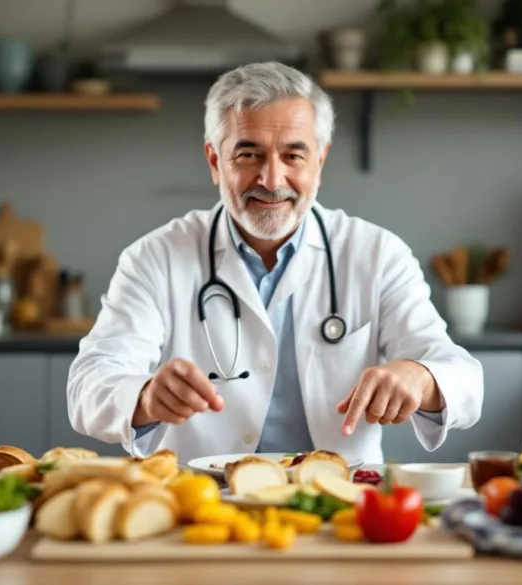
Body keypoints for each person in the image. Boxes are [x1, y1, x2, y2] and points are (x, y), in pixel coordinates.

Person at [66, 61, 483, 464]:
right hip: (202, 503)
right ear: (215, 161)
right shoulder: (154, 258)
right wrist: (144, 396)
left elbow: (464, 379)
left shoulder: (377, 254)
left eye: (293, 156)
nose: (271, 180)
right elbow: (88, 386)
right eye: (249, 155)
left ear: (319, 161)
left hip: (335, 500)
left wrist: (420, 377)